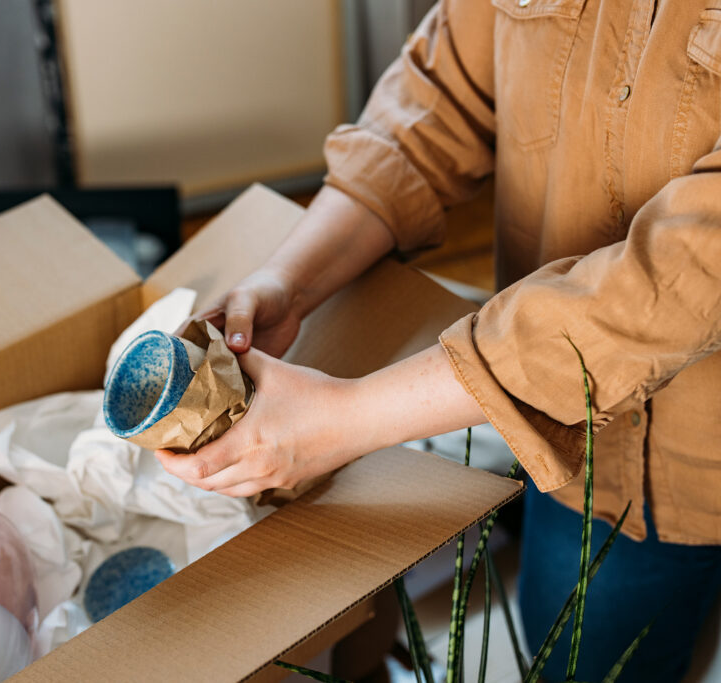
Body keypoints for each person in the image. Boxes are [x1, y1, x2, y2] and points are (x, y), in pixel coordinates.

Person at [153, 1, 721, 681]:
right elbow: (439, 101)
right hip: (583, 454)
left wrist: (345, 418)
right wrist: (290, 279)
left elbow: (686, 274)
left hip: (693, 458)